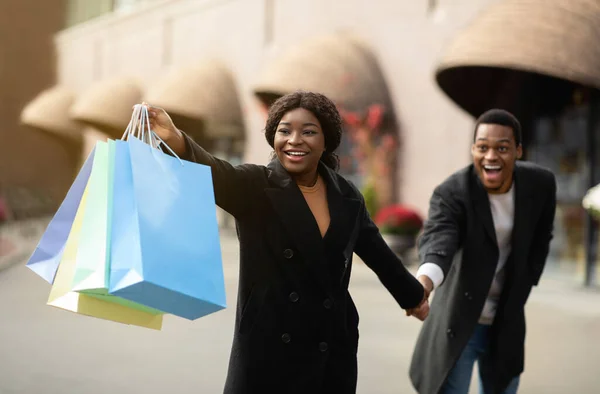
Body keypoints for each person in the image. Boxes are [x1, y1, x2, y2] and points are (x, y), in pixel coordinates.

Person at [144, 91, 430, 394]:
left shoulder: (347, 197)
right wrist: (174, 137)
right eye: (285, 131)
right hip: (269, 346)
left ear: (326, 140)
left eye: (308, 132)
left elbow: (378, 254)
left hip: (330, 346)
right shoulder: (256, 186)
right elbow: (213, 172)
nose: (294, 139)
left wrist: (413, 297)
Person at [409, 109, 557, 394]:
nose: (491, 156)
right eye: (483, 147)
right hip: (459, 321)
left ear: (518, 151)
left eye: (502, 148)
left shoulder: (540, 184)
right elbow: (440, 240)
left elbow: (543, 235)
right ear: (473, 149)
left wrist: (528, 277)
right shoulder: (453, 191)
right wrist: (424, 284)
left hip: (507, 319)